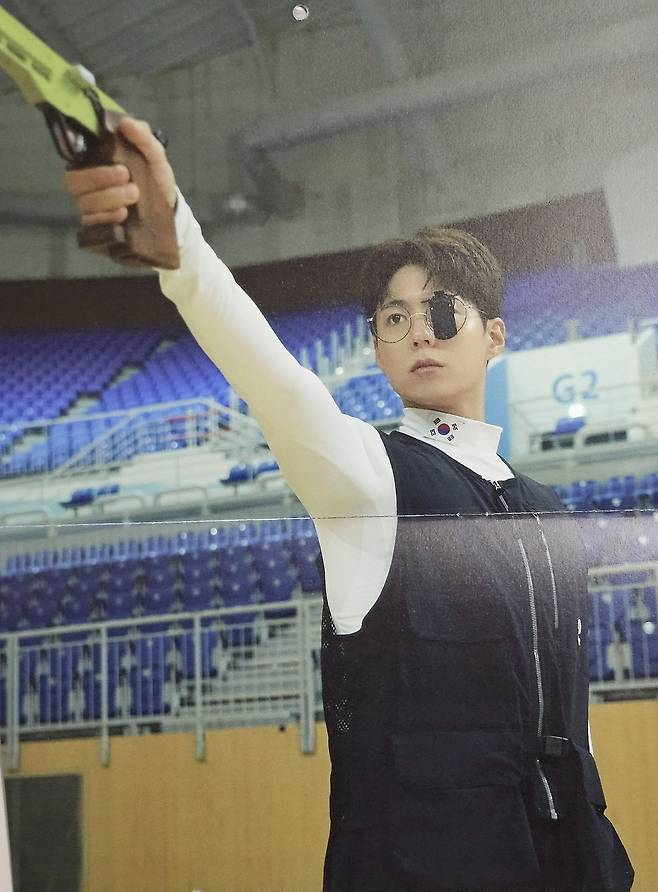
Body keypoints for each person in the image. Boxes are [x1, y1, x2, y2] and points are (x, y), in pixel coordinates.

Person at [65, 118, 634, 891]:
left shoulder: (549, 510)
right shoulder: (368, 475)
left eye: (442, 312)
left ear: (494, 336)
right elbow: (275, 382)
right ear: (376, 346)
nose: (417, 332)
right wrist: (182, 255)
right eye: (394, 318)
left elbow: (573, 718)